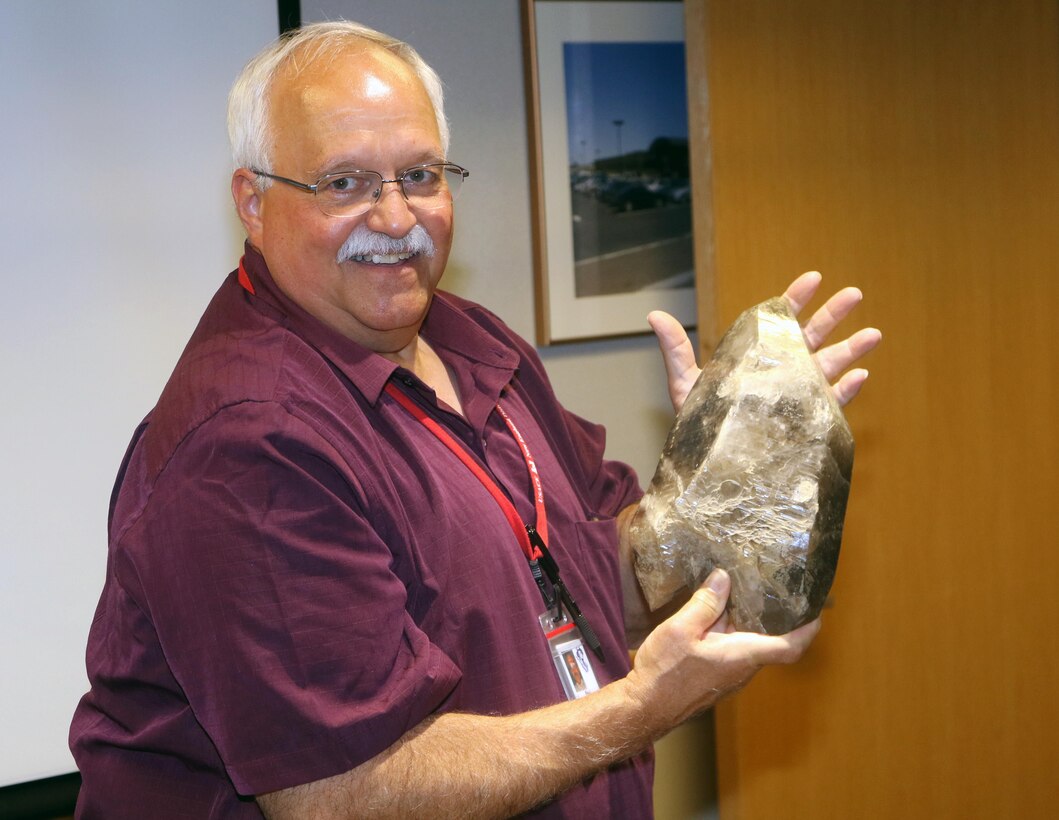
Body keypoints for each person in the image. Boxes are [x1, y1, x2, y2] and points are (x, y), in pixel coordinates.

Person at [69, 20, 880, 819]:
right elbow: (345, 793)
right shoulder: (251, 442)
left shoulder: (468, 339)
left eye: (419, 175)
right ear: (252, 201)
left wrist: (733, 462)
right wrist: (643, 707)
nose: (395, 219)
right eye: (343, 184)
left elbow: (612, 577)